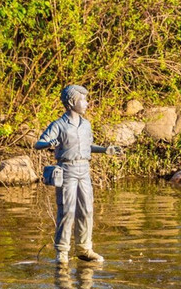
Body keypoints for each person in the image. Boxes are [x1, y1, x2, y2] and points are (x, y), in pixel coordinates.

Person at [35, 85, 121, 264]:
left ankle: (84, 249)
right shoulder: (58, 125)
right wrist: (49, 143)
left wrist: (106, 150)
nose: (87, 103)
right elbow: (39, 143)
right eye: (83, 99)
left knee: (87, 209)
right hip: (67, 170)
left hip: (84, 170)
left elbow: (88, 147)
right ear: (72, 102)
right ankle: (62, 251)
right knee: (67, 210)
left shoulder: (86, 125)